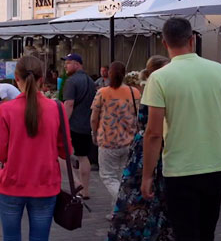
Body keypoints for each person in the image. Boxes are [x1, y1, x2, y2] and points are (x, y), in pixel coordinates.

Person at [142, 18, 221, 241]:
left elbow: (154, 133)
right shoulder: (220, 71)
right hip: (216, 165)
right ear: (192, 40)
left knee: (185, 232)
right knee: (207, 231)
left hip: (180, 169)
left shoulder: (159, 78)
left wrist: (147, 174)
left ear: (164, 43)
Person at [0, 55, 71, 241]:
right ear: (41, 79)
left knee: (10, 237)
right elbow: (65, 151)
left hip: (11, 183)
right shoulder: (56, 108)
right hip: (45, 184)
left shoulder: (6, 109)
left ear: (16, 79)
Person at [107, 55, 172, 241]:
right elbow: (152, 129)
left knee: (153, 196)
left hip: (149, 147)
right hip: (149, 148)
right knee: (142, 195)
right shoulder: (152, 88)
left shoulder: (153, 87)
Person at [90, 61, 141, 220]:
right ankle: (117, 211)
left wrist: (94, 132)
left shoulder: (102, 92)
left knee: (108, 176)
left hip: (108, 141)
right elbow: (139, 115)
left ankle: (124, 203)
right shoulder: (135, 92)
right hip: (129, 140)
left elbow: (94, 117)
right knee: (121, 175)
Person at [62, 52, 97, 199]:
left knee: (63, 155)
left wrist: (62, 122)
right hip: (86, 124)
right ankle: (85, 190)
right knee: (83, 157)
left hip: (73, 124)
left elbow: (69, 104)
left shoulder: (71, 81)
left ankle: (76, 184)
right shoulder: (90, 81)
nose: (65, 66)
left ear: (77, 64)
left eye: (68, 63)